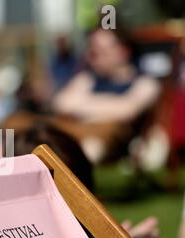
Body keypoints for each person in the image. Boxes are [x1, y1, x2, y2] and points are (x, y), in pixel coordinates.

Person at [52, 28, 161, 163]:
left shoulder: (145, 82)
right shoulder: (88, 78)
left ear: (123, 50)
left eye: (101, 51)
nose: (92, 57)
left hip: (112, 142)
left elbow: (128, 110)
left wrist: (83, 103)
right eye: (92, 51)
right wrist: (112, 105)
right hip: (78, 132)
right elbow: (61, 103)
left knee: (90, 146)